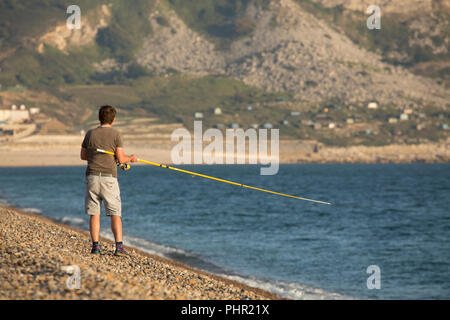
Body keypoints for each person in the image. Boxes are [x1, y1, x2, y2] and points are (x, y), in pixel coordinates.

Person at [80, 105, 137, 256]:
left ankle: (95, 247)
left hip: (92, 176)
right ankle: (118, 247)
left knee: (94, 213)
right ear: (113, 119)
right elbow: (121, 158)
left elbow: (83, 156)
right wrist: (131, 158)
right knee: (115, 213)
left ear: (99, 118)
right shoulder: (115, 134)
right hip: (109, 178)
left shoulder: (90, 134)